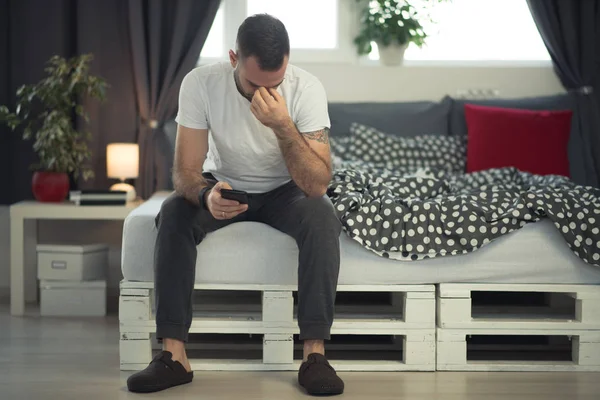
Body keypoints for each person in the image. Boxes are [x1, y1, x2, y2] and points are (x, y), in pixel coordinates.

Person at [126, 13, 344, 396]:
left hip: (286, 190)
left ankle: (314, 356)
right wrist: (206, 194)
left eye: (274, 84)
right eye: (253, 84)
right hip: (225, 184)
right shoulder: (200, 83)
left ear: (287, 64)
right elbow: (185, 173)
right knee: (174, 210)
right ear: (233, 59)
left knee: (323, 215)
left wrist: (281, 125)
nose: (264, 94)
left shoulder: (307, 88)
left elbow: (316, 184)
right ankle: (174, 357)